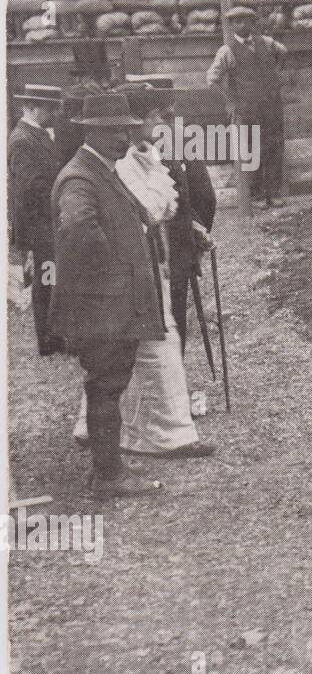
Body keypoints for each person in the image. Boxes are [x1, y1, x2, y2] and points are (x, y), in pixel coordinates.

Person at [70, 81, 217, 460]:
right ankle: (161, 434)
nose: (158, 122)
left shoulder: (145, 156)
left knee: (146, 347)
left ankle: (156, 431)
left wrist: (191, 228)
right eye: (152, 116)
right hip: (130, 270)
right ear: (132, 124)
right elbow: (148, 210)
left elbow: (163, 210)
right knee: (137, 348)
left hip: (149, 264)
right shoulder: (116, 165)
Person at [49, 93, 167, 499]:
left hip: (110, 304)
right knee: (105, 385)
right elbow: (79, 230)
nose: (125, 137)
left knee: (108, 385)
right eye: (115, 131)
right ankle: (108, 476)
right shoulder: (80, 177)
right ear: (93, 133)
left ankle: (108, 468)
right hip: (101, 306)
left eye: (127, 128)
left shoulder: (103, 169)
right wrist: (118, 275)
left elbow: (133, 217)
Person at [122, 74, 216, 350]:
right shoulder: (174, 137)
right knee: (169, 322)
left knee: (164, 325)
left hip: (168, 249)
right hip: (167, 249)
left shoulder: (138, 148)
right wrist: (196, 230)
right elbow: (205, 196)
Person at [206, 7, 287, 210]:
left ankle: (274, 193)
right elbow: (212, 79)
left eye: (246, 21)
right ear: (231, 25)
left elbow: (283, 52)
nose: (242, 25)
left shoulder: (266, 43)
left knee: (274, 148)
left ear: (252, 23)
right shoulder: (227, 51)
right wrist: (229, 101)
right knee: (253, 150)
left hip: (271, 106)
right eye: (237, 22)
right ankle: (257, 194)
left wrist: (275, 74)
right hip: (247, 109)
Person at [8, 83, 67, 356]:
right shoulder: (22, 140)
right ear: (32, 108)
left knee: (52, 278)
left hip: (47, 222)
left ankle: (55, 335)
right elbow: (30, 189)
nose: (55, 112)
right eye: (50, 107)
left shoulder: (35, 135)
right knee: (47, 280)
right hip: (40, 225)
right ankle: (49, 340)